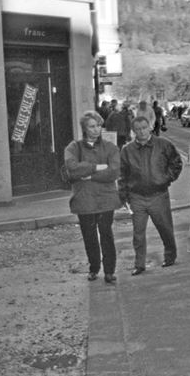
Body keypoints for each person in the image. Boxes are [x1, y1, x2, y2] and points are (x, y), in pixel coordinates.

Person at [63, 111, 122, 284]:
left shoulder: (110, 148)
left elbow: (114, 172)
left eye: (98, 125)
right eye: (92, 126)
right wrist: (97, 167)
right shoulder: (74, 147)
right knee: (89, 235)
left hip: (105, 199)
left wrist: (90, 175)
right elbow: (72, 168)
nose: (96, 130)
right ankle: (94, 267)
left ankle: (110, 270)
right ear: (84, 128)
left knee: (106, 234)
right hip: (84, 199)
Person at [120, 115, 183, 275]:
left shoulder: (163, 145)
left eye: (144, 128)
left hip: (158, 194)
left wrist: (166, 178)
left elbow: (176, 162)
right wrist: (123, 195)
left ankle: (170, 255)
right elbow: (122, 174)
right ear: (133, 131)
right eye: (137, 129)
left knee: (165, 228)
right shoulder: (127, 150)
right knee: (138, 233)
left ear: (149, 127)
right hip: (137, 196)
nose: (141, 132)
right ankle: (139, 264)